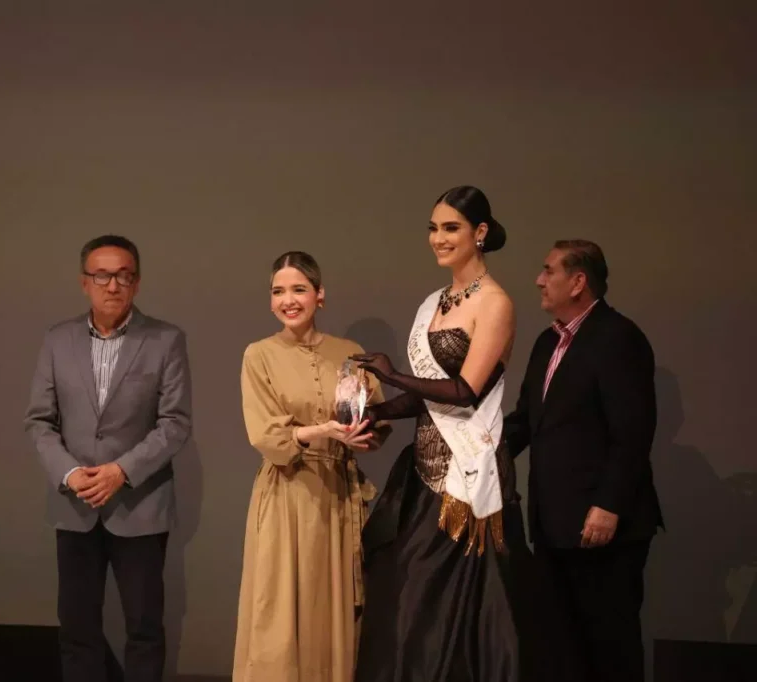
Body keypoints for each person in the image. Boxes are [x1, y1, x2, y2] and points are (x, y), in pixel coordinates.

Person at [351, 186, 530, 682]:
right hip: (422, 471)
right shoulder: (435, 301)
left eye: (451, 227)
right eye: (433, 228)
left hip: (466, 475)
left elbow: (464, 391)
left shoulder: (495, 303)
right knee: (400, 594)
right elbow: (427, 398)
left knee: (440, 602)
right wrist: (377, 412)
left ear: (480, 232)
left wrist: (391, 375)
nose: (438, 238)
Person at [24, 234, 192, 682]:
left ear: (137, 282)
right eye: (102, 276)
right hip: (74, 504)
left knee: (144, 628)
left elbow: (175, 422)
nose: (112, 285)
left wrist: (122, 471)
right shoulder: (57, 339)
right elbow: (39, 421)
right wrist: (69, 472)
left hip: (140, 504)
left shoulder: (165, 339)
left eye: (123, 276)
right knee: (77, 628)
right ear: (85, 282)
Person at [503, 240, 662, 682]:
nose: (539, 280)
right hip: (553, 524)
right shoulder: (547, 342)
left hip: (603, 527)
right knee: (561, 648)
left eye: (548, 270)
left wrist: (608, 504)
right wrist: (470, 451)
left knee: (609, 647)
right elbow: (525, 421)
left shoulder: (618, 337)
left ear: (578, 282)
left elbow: (632, 432)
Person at [233, 251, 392, 682]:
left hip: (337, 493)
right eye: (278, 291)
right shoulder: (259, 355)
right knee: (280, 610)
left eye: (298, 289)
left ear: (319, 295)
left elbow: (376, 421)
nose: (288, 300)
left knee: (331, 606)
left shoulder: (350, 354)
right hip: (287, 492)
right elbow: (267, 435)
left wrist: (364, 434)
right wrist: (323, 430)